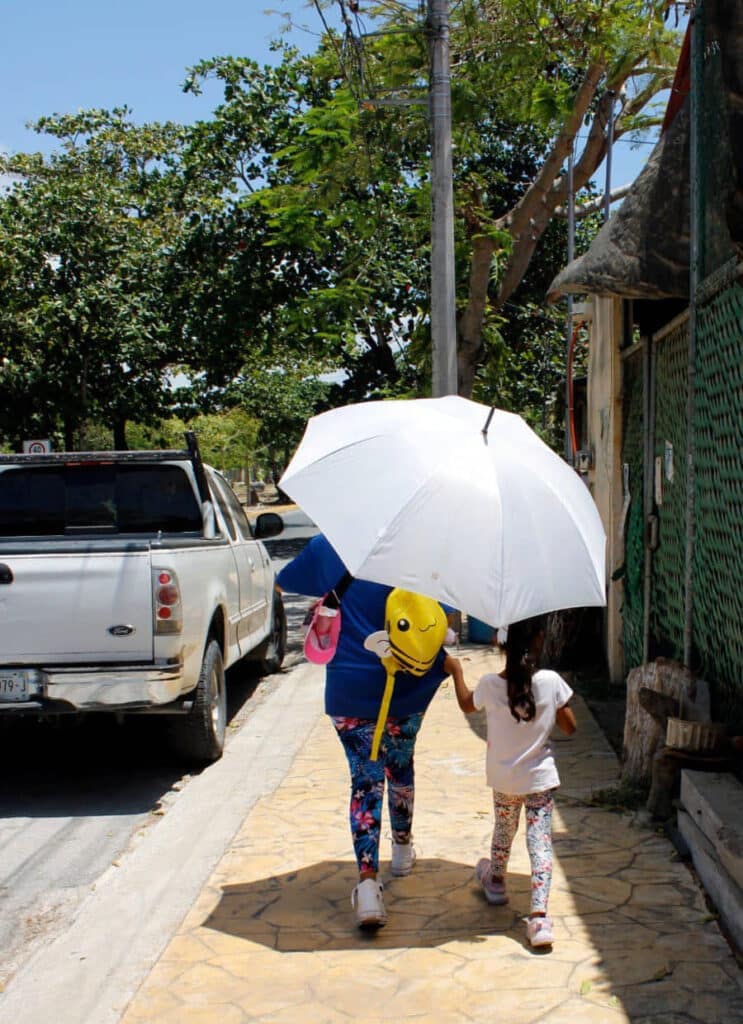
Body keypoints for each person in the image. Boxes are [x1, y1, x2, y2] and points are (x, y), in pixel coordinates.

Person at [276, 532, 457, 930]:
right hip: (411, 687)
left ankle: (369, 886)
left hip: (351, 691)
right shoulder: (426, 548)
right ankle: (403, 849)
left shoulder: (334, 544)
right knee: (401, 764)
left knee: (366, 781)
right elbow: (443, 621)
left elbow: (284, 580)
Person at [449, 615, 576, 949]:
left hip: (504, 779)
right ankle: (538, 919)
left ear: (500, 643)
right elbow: (570, 727)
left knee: (504, 829)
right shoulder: (550, 681)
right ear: (538, 640)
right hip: (539, 780)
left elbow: (465, 703)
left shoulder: (491, 684)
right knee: (540, 842)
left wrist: (456, 671)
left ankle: (495, 882)